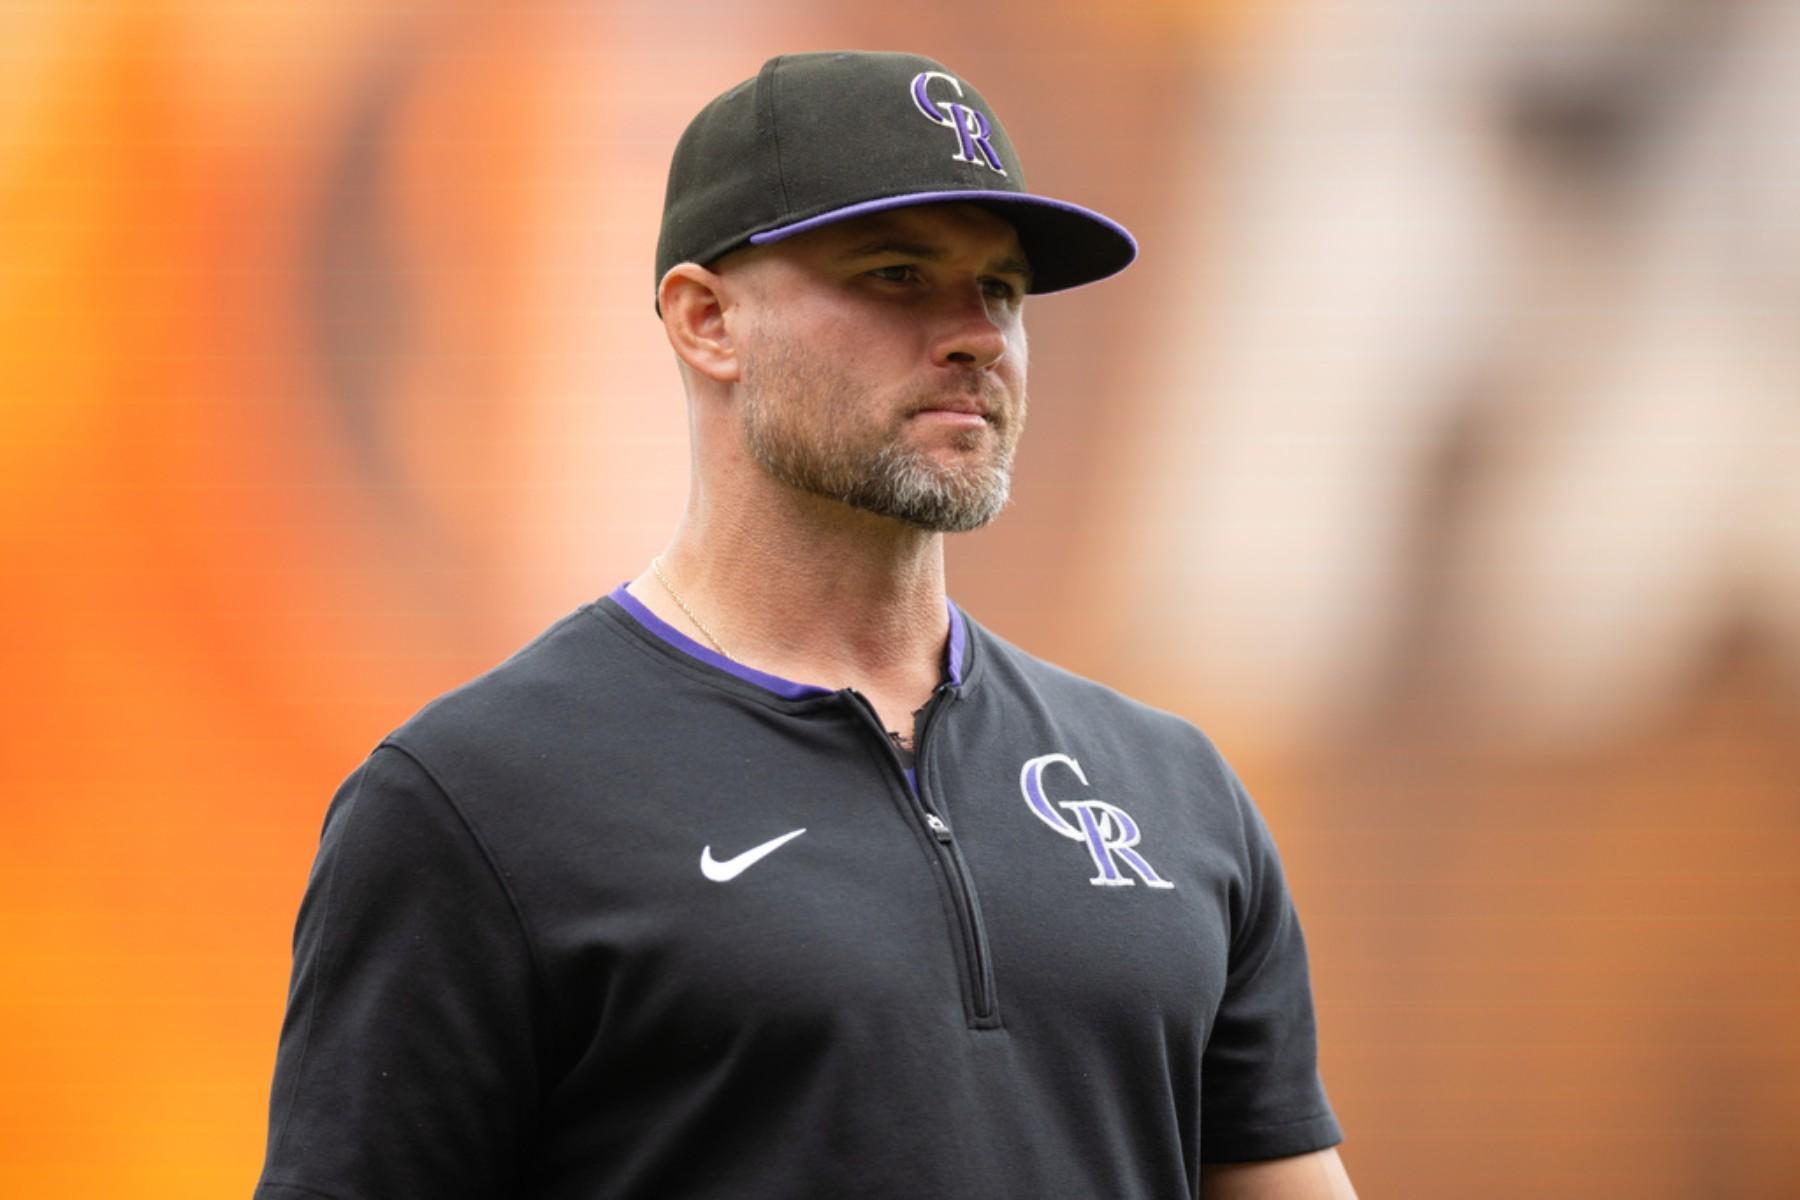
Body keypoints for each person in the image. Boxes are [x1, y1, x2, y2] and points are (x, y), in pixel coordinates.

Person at [255, 50, 1356, 1200]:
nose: (976, 334)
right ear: (707, 321)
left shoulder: (1173, 792)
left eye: (1003, 288)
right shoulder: (472, 799)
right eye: (895, 274)